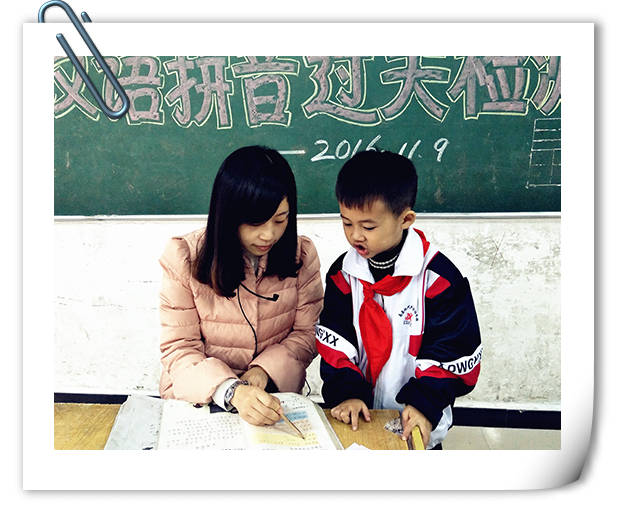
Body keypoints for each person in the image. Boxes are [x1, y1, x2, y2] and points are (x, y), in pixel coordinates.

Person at [316, 150, 482, 449]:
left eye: (368, 227)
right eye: (346, 223)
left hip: (415, 417)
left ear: (405, 219)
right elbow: (335, 341)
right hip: (358, 418)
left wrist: (423, 404)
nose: (355, 236)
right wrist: (347, 393)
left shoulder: (438, 280)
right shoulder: (343, 275)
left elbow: (451, 350)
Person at [158, 146, 324, 426]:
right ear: (228, 215)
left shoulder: (301, 255)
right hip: (200, 400)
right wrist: (231, 390)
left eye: (280, 220)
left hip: (272, 397)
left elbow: (307, 333)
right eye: (255, 222)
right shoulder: (185, 258)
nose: (269, 234)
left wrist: (263, 371)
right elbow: (179, 347)